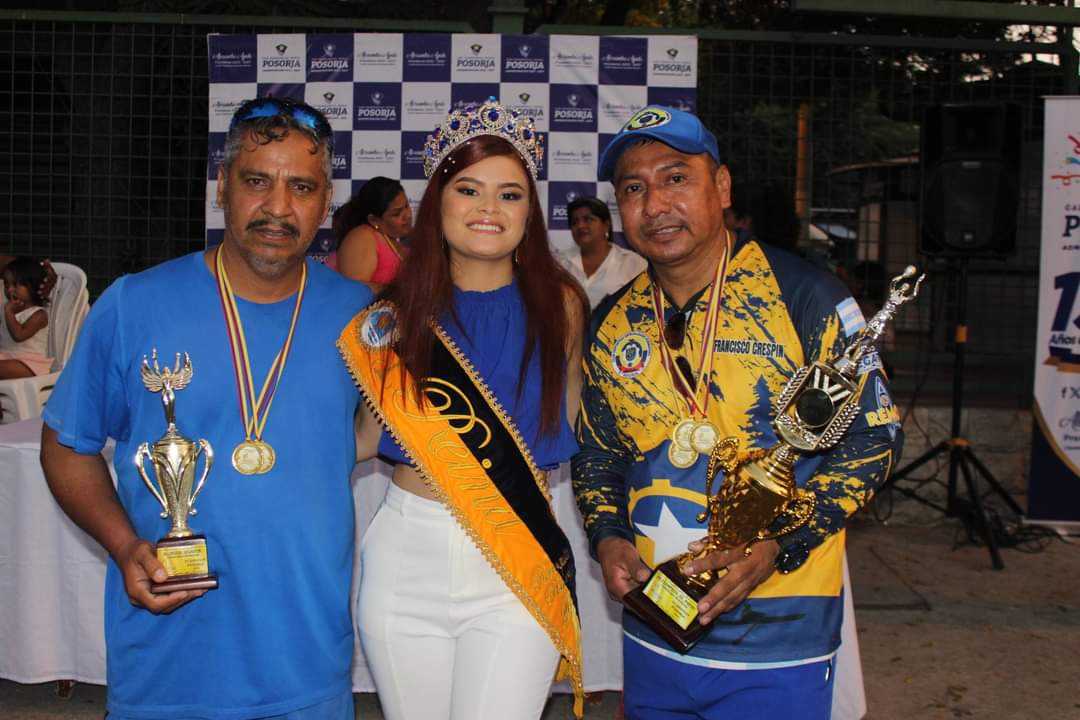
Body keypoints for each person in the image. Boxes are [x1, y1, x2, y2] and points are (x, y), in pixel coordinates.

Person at [40, 97, 372, 720]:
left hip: (306, 666)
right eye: (257, 181)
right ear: (223, 186)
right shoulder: (134, 304)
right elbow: (65, 446)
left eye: (301, 187)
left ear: (326, 201)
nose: (278, 207)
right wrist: (123, 544)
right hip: (166, 665)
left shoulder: (364, 319)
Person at [572, 105, 903, 719]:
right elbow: (598, 452)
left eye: (676, 178)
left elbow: (873, 440)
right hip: (656, 625)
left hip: (779, 634)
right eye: (634, 189)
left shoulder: (804, 296)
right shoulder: (614, 320)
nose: (655, 204)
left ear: (721, 187)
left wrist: (782, 543)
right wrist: (608, 536)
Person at [338, 98, 589, 720]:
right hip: (406, 554)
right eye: (469, 189)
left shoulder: (562, 306)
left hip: (517, 553)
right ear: (438, 203)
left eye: (510, 195)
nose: (488, 209)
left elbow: (576, 420)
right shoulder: (389, 316)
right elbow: (363, 436)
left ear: (530, 212)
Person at [558, 196, 647, 309]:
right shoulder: (560, 263)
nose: (580, 226)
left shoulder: (633, 263)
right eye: (575, 222)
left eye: (588, 219)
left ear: (606, 225)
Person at [330, 176, 413, 291]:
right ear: (374, 220)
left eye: (407, 206)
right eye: (396, 214)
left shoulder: (396, 239)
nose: (407, 215)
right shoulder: (362, 238)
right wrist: (401, 292)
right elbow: (353, 290)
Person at [0, 257, 51, 380]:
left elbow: (19, 336)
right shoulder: (5, 307)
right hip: (6, 356)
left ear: (32, 286)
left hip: (28, 363)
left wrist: (9, 313)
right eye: (6, 284)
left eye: (15, 285)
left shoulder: (39, 314)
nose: (9, 290)